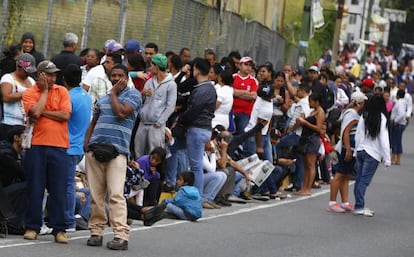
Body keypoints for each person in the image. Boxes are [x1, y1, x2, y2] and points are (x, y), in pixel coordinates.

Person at [83, 64, 141, 250]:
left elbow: (121, 112)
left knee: (116, 195)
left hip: (117, 153)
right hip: (95, 149)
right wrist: (87, 142)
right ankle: (96, 231)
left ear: (127, 77)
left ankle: (121, 236)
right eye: (113, 75)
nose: (116, 78)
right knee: (96, 195)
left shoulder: (134, 95)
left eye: (120, 75)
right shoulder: (103, 98)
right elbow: (95, 120)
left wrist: (114, 94)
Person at [22, 60, 71, 243]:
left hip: (59, 146)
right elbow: (34, 113)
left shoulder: (62, 91)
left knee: (58, 190)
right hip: (37, 145)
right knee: (35, 188)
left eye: (54, 74)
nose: (53, 78)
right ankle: (32, 227)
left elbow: (65, 115)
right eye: (49, 74)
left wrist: (44, 112)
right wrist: (43, 92)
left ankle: (60, 229)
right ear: (40, 75)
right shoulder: (30, 93)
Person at [177, 58, 216, 196]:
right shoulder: (210, 88)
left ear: (197, 70)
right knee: (189, 160)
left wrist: (180, 119)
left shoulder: (202, 90)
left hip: (197, 129)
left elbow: (193, 111)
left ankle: (196, 196)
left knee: (196, 167)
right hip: (205, 129)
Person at [63, 64, 92, 232]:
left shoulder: (68, 97)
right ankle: (69, 218)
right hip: (80, 147)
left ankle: (68, 221)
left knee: (66, 185)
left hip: (68, 146)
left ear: (64, 79)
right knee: (67, 184)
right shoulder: (86, 96)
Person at [327, 92, 367, 213]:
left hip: (351, 148)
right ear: (359, 103)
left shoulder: (353, 114)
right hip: (346, 148)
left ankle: (344, 201)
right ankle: (332, 202)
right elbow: (345, 132)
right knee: (339, 174)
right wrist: (348, 148)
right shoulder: (352, 114)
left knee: (346, 175)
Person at [353, 94, 391, 217]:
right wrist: (387, 159)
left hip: (361, 150)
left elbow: (358, 134)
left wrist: (356, 150)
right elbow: (384, 140)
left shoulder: (365, 115)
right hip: (373, 153)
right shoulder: (382, 118)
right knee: (364, 181)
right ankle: (359, 206)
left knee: (359, 180)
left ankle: (359, 204)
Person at [133, 53, 177, 158]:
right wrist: (142, 94)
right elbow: (142, 101)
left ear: (157, 67)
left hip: (156, 126)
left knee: (154, 154)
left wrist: (159, 122)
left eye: (152, 65)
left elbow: (170, 106)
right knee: (138, 151)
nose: (150, 68)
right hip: (143, 123)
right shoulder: (149, 82)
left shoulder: (171, 85)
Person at [295, 93, 325, 196]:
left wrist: (305, 122)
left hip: (312, 139)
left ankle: (308, 188)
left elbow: (318, 128)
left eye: (311, 101)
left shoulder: (320, 112)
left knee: (311, 164)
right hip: (306, 138)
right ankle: (304, 187)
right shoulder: (312, 111)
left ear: (317, 102)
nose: (309, 103)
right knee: (305, 164)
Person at [0, 53, 36, 140]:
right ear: (18, 67)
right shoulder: (8, 78)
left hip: (25, 124)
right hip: (9, 123)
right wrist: (26, 93)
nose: (27, 74)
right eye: (25, 71)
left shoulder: (31, 81)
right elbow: (6, 97)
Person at [0, 125, 27, 235]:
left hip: (5, 191)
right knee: (29, 186)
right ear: (16, 138)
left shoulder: (17, 153)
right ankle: (15, 224)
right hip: (2, 194)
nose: (30, 139)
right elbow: (23, 174)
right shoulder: (5, 153)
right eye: (25, 136)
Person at [390, 89, 407, 165]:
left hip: (398, 124)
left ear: (398, 95)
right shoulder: (403, 102)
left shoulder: (399, 103)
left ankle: (394, 158)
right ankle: (397, 159)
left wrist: (395, 121)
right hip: (401, 123)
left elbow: (401, 114)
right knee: (398, 141)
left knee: (395, 141)